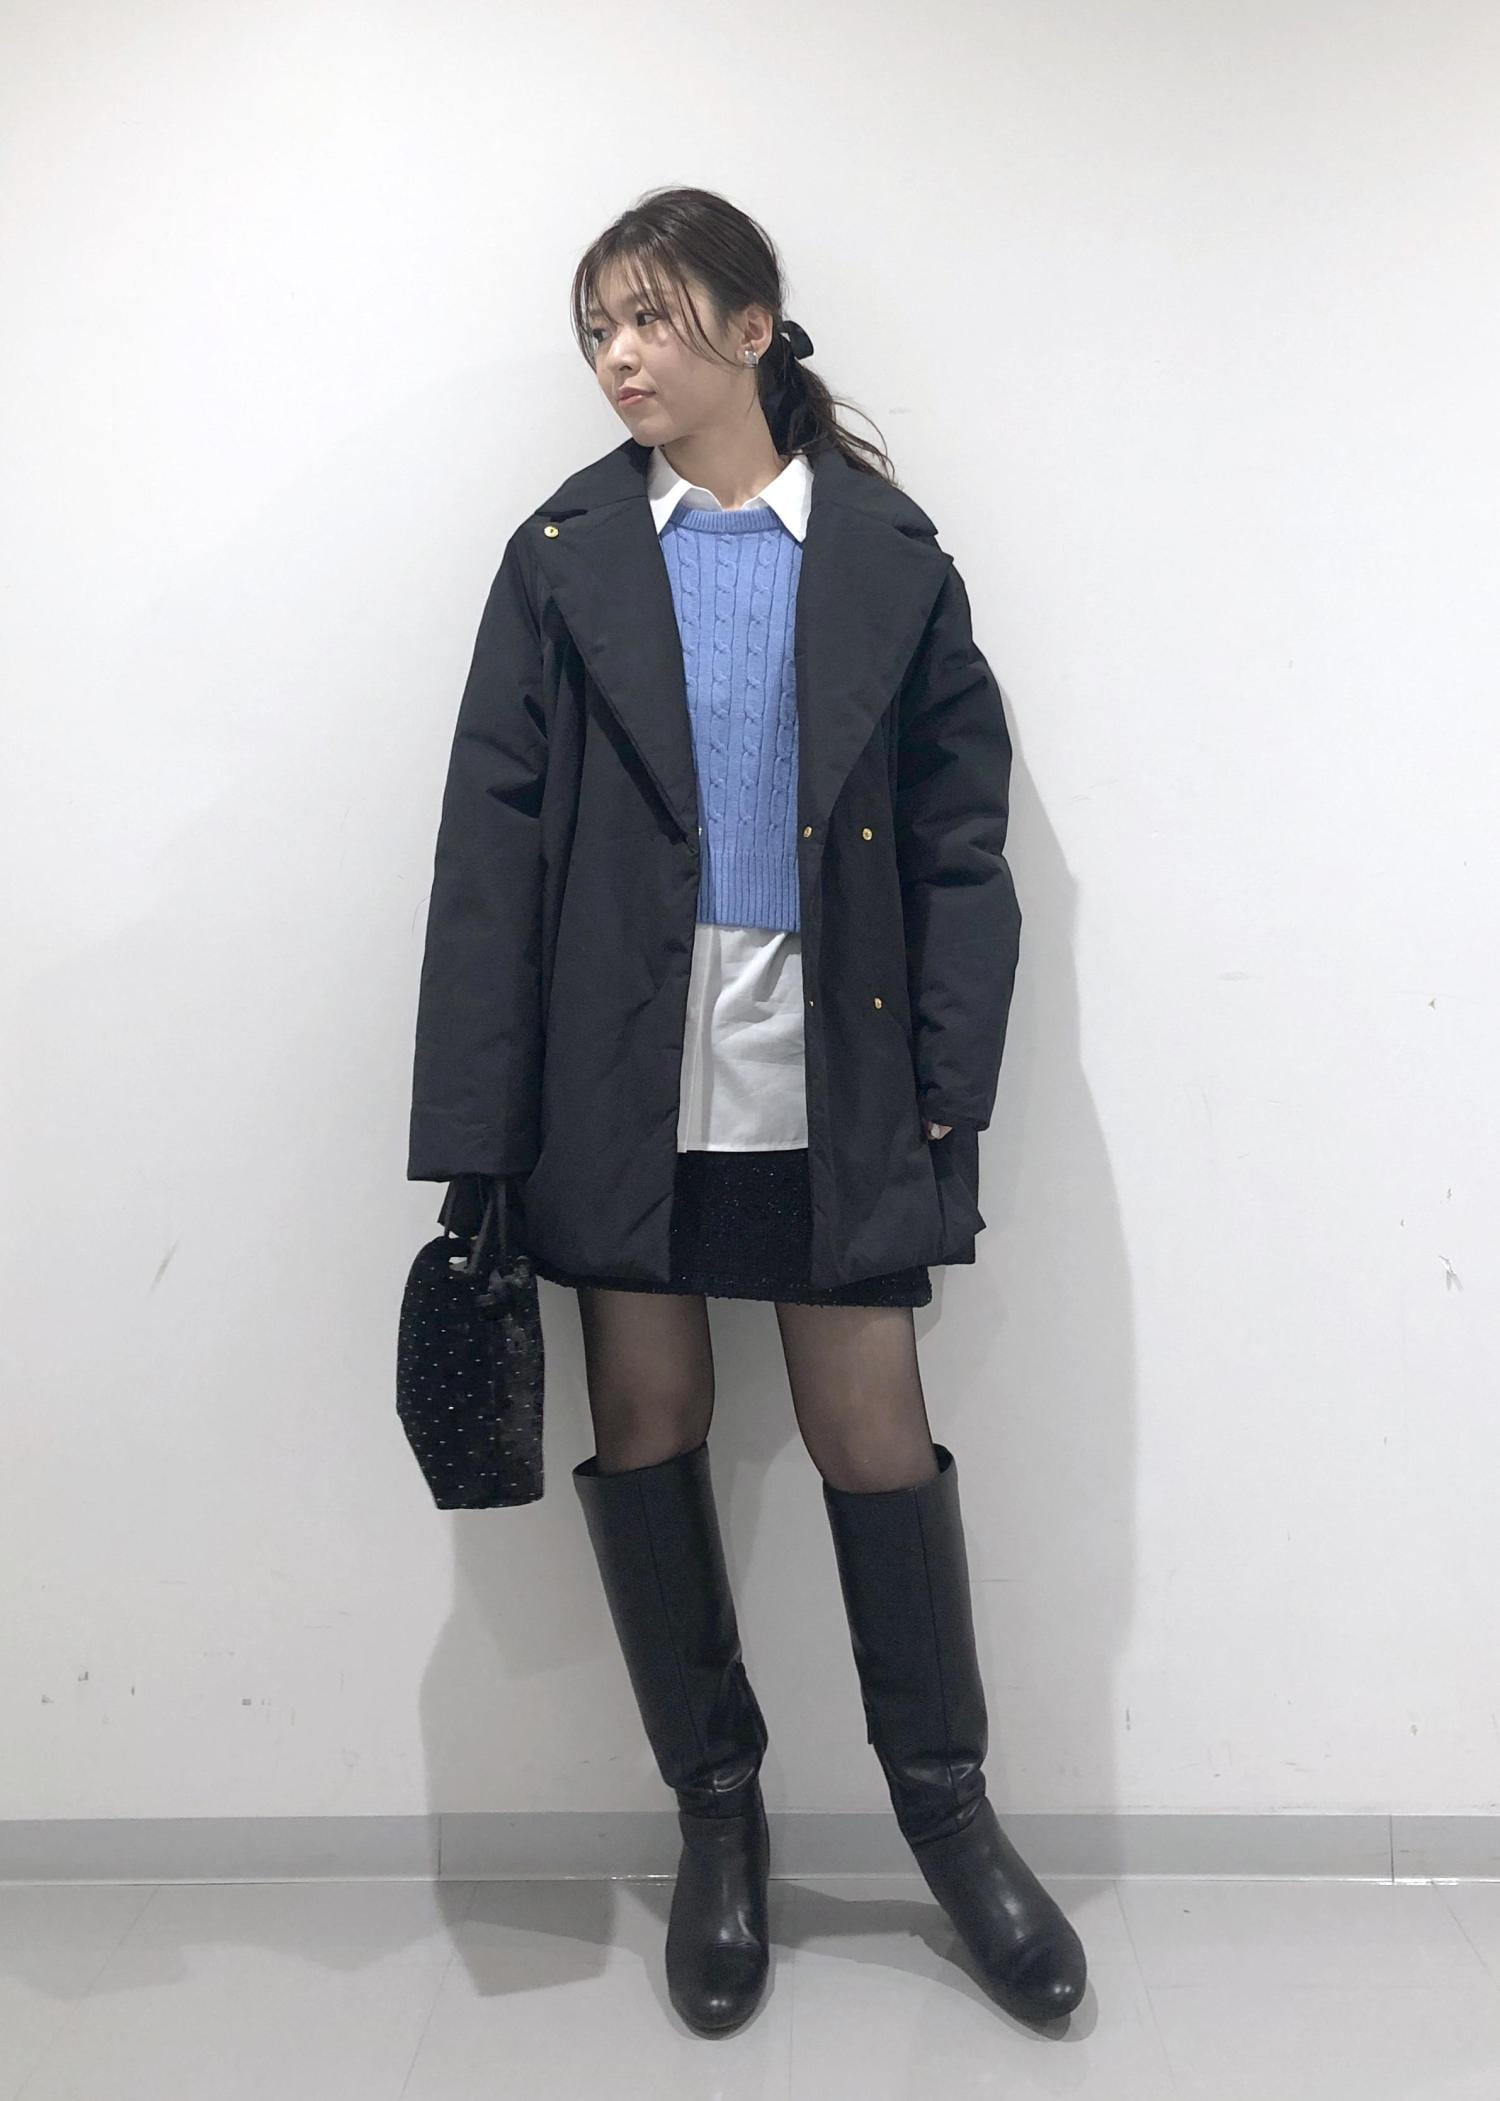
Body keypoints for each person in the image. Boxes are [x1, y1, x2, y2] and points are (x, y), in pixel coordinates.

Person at [409, 184, 1087, 2037]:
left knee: (876, 1429)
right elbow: (490, 854)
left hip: (831, 1063)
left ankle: (949, 1818)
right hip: (621, 1072)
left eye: (650, 318)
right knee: (648, 1421)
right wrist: (479, 1132)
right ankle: (720, 1818)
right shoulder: (561, 556)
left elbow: (960, 844)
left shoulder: (883, 553)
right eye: (596, 331)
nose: (619, 358)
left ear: (752, 325)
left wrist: (949, 1079)